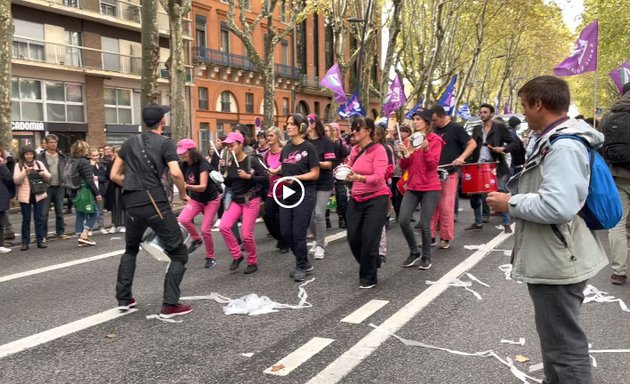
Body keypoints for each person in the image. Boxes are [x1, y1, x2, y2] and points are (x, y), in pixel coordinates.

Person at [487, 76, 608, 384]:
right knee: (557, 344)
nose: (524, 113)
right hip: (556, 254)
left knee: (565, 349)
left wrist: (509, 203)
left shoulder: (564, 146)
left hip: (558, 259)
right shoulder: (554, 139)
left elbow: (558, 206)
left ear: (539, 104)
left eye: (525, 105)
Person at [110, 104, 192, 318]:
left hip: (131, 201)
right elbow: (175, 173)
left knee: (130, 248)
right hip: (154, 201)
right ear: (162, 121)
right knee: (179, 252)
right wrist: (183, 194)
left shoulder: (128, 143)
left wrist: (131, 185)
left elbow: (114, 175)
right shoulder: (166, 143)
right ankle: (170, 305)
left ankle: (124, 298)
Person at [344, 117, 390, 288]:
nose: (354, 132)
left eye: (358, 129)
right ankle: (373, 261)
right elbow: (349, 169)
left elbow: (379, 177)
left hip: (377, 198)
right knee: (353, 238)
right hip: (356, 198)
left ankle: (368, 277)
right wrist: (342, 172)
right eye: (353, 128)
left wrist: (359, 178)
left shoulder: (380, 150)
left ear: (369, 130)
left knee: (370, 239)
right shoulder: (354, 150)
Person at [399, 109, 445, 270]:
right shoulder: (409, 140)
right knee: (403, 219)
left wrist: (425, 150)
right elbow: (404, 166)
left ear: (426, 122)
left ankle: (426, 257)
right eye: (414, 119)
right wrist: (403, 154)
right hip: (412, 185)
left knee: (425, 224)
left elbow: (433, 165)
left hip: (430, 186)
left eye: (418, 119)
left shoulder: (435, 140)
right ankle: (414, 252)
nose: (415, 122)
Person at [218, 131, 268, 274]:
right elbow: (229, 182)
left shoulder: (252, 160)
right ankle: (237, 255)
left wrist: (248, 176)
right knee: (224, 226)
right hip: (236, 199)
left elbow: (265, 179)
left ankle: (252, 261)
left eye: (232, 145)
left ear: (240, 144)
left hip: (250, 199)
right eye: (227, 146)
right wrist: (221, 175)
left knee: (246, 234)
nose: (229, 148)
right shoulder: (230, 162)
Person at [430, 105, 476, 249]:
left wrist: (461, 157)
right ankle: (430, 237)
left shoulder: (456, 128)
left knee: (446, 208)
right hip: (432, 173)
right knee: (430, 207)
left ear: (443, 116)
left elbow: (472, 143)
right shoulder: (432, 129)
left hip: (448, 173)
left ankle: (445, 238)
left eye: (435, 120)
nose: (433, 123)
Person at [280, 113, 320, 282]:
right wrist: (275, 171)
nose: (288, 126)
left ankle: (301, 265)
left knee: (298, 233)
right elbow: (286, 169)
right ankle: (304, 262)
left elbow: (315, 173)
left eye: (292, 124)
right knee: (286, 232)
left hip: (305, 192)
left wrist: (296, 178)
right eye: (287, 123)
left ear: (301, 127)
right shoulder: (286, 147)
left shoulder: (309, 148)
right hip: (287, 192)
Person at [465, 103, 516, 233]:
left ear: (492, 114)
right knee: (475, 194)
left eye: (485, 112)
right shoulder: (476, 128)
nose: (482, 114)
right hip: (478, 166)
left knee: (499, 192)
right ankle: (478, 222)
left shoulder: (499, 128)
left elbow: (513, 142)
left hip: (495, 165)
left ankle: (506, 223)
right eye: (481, 112)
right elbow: (471, 146)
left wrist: (503, 148)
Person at [600, 82, 630, 285]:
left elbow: (599, 146)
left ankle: (619, 272)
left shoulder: (609, 117)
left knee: (618, 224)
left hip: (617, 174)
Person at [176, 139, 222, 269]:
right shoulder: (183, 164)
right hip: (196, 199)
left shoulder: (203, 164)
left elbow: (202, 186)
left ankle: (210, 257)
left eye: (184, 152)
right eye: (180, 153)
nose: (182, 155)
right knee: (183, 219)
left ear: (192, 151)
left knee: (205, 229)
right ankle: (197, 239)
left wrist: (186, 186)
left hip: (211, 200)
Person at [305, 114, 336, 260]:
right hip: (309, 182)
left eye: (307, 122)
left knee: (318, 213)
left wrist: (313, 162)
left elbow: (329, 164)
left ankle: (321, 245)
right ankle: (319, 240)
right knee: (308, 214)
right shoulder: (303, 142)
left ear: (314, 124)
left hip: (324, 182)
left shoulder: (326, 142)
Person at [13, 145, 51, 250]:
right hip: (25, 196)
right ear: (23, 155)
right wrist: (25, 172)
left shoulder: (39, 163)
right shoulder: (19, 165)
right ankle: (25, 243)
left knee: (39, 218)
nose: (29, 156)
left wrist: (41, 172)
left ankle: (40, 241)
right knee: (26, 219)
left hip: (38, 194)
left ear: (34, 154)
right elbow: (16, 180)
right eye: (26, 154)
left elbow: (49, 176)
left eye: (30, 154)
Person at [262, 126, 289, 253]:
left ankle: (284, 241)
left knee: (283, 219)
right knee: (268, 216)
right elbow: (263, 170)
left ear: (278, 136)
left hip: (285, 189)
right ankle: (280, 237)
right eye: (267, 135)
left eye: (271, 135)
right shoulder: (266, 154)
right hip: (271, 191)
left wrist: (277, 171)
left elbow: (288, 168)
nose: (268, 138)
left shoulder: (285, 151)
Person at [70, 141, 102, 245]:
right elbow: (89, 180)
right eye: (87, 149)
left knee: (80, 214)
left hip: (73, 191)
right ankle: (84, 235)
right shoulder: (84, 162)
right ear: (83, 150)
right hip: (84, 192)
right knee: (94, 213)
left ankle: (80, 238)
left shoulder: (70, 160)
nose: (88, 151)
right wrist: (97, 193)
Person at [37, 134, 69, 240]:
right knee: (44, 213)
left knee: (60, 211)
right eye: (51, 142)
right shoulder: (40, 157)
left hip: (59, 186)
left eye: (55, 142)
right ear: (46, 144)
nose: (54, 144)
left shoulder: (62, 156)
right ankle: (43, 235)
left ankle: (60, 232)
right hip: (46, 187)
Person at [325, 122, 349, 229]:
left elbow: (345, 154)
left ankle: (342, 219)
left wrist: (338, 142)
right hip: (326, 173)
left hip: (338, 173)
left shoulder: (339, 143)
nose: (330, 133)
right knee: (326, 197)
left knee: (341, 197)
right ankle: (326, 219)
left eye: (334, 130)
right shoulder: (322, 144)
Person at [105, 146, 125, 233]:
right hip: (113, 187)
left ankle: (123, 224)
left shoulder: (126, 163)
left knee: (123, 206)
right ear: (113, 153)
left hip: (123, 186)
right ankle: (115, 224)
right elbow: (107, 175)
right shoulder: (110, 164)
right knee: (114, 206)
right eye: (116, 152)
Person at [89, 148, 108, 235]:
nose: (95, 157)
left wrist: (97, 177)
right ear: (90, 156)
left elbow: (104, 177)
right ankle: (90, 228)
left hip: (100, 190)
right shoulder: (88, 165)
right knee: (91, 210)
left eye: (97, 155)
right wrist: (92, 166)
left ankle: (101, 226)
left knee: (100, 210)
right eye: (93, 155)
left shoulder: (101, 165)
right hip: (91, 190)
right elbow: (89, 176)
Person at [0, 147, 14, 254]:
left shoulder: (4, 164)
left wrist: (2, 166)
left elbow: (8, 179)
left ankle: (0, 244)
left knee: (1, 222)